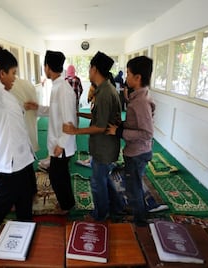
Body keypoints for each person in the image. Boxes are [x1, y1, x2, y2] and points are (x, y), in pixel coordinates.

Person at [0, 46, 36, 229]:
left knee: (27, 194)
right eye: (12, 73)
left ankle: (24, 227)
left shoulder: (5, 96)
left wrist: (25, 107)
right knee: (3, 202)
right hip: (11, 163)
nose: (15, 77)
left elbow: (10, 116)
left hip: (23, 159)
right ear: (1, 73)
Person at [63, 51, 123, 222]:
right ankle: (117, 206)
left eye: (89, 68)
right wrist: (81, 115)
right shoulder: (105, 89)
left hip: (104, 148)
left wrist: (75, 131)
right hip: (106, 146)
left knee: (97, 183)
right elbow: (100, 118)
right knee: (104, 179)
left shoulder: (104, 93)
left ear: (94, 69)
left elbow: (100, 126)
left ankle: (101, 215)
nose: (88, 72)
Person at [25, 50, 77, 213]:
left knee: (56, 176)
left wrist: (61, 144)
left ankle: (66, 206)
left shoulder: (62, 89)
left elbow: (69, 120)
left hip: (62, 144)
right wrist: (37, 108)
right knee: (60, 175)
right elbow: (54, 112)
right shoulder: (57, 87)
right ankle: (68, 203)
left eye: (44, 66)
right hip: (58, 142)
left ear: (47, 67)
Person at [106, 56, 155, 226]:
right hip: (137, 151)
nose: (125, 77)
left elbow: (147, 132)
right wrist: (124, 123)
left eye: (128, 73)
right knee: (133, 185)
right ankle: (137, 211)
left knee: (133, 189)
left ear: (138, 77)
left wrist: (119, 131)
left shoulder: (140, 102)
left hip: (137, 153)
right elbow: (137, 122)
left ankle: (140, 223)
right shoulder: (138, 97)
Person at [11, 77, 39, 152]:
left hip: (16, 139)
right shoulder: (27, 83)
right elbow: (36, 108)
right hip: (29, 128)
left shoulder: (6, 88)